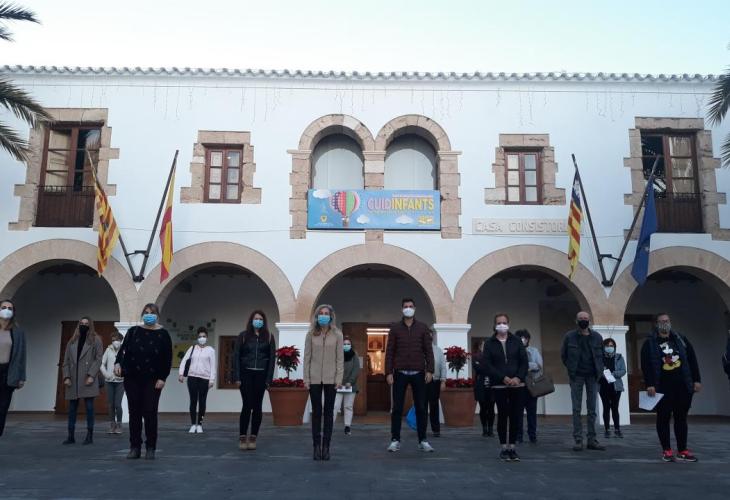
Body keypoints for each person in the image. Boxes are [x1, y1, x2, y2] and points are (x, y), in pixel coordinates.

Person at [641, 313, 701, 462]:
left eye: (667, 320)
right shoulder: (650, 343)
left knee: (681, 418)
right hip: (662, 387)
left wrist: (697, 380)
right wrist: (649, 384)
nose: (664, 323)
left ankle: (682, 450)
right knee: (663, 418)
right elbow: (646, 365)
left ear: (670, 322)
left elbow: (692, 360)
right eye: (661, 321)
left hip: (683, 386)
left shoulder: (681, 339)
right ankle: (667, 450)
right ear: (656, 324)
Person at [114, 303, 172, 460]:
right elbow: (123, 351)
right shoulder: (133, 331)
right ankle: (135, 447)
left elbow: (167, 358)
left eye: (152, 312)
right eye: (146, 312)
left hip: (153, 380)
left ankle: (151, 447)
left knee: (150, 412)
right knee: (134, 413)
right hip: (132, 378)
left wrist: (162, 378)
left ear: (157, 315)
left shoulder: (163, 334)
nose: (148, 315)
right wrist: (118, 363)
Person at [385, 298, 435, 453]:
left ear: (415, 308)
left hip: (419, 372)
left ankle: (423, 440)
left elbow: (428, 350)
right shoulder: (395, 328)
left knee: (421, 407)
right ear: (402, 309)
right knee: (397, 408)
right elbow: (390, 352)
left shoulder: (422, 327)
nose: (408, 308)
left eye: (411, 306)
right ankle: (395, 440)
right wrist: (388, 372)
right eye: (405, 306)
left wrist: (430, 370)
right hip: (399, 373)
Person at [482, 314, 528, 461]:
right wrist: (503, 377)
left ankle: (512, 447)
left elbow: (524, 362)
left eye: (504, 322)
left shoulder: (516, 341)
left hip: (517, 385)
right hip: (499, 385)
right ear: (494, 325)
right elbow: (487, 364)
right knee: (502, 416)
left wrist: (518, 377)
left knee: (515, 416)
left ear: (509, 324)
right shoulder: (489, 343)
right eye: (499, 323)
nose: (502, 325)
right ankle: (503, 448)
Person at [303, 304, 343, 461]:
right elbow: (307, 358)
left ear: (331, 316)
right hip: (314, 379)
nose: (324, 316)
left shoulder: (337, 334)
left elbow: (339, 359)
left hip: (331, 379)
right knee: (316, 413)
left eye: (326, 313)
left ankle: (326, 446)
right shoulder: (311, 334)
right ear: (317, 316)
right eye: (321, 313)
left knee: (328, 413)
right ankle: (316, 446)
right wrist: (306, 379)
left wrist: (339, 379)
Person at [561, 311, 606, 451]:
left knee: (592, 409)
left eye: (585, 318)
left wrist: (599, 371)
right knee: (576, 409)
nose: (583, 320)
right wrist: (571, 369)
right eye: (581, 318)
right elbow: (564, 356)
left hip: (593, 376)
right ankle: (578, 440)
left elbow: (602, 356)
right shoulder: (569, 337)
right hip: (576, 376)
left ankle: (592, 440)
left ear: (589, 320)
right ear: (576, 320)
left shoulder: (597, 337)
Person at [234, 310, 276, 451]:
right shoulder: (243, 336)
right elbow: (236, 356)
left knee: (257, 406)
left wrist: (269, 379)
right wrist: (237, 377)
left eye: (261, 319)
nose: (258, 321)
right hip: (246, 375)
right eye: (256, 318)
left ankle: (253, 437)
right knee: (247, 405)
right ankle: (242, 436)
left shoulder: (269, 337)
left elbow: (272, 359)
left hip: (261, 376)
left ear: (264, 322)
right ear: (251, 320)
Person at [62, 316, 103, 445]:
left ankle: (89, 435)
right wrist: (66, 377)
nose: (83, 325)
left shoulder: (96, 339)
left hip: (87, 378)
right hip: (73, 379)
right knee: (72, 409)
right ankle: (70, 436)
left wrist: (91, 375)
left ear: (90, 325)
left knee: (89, 408)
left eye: (86, 323)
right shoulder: (72, 340)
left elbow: (98, 359)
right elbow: (66, 361)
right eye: (81, 323)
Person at [178, 326, 217, 434]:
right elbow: (184, 360)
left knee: (202, 402)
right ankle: (193, 424)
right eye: (200, 336)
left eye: (204, 336)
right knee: (193, 401)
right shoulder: (192, 348)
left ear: (207, 338)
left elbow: (213, 366)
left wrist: (212, 380)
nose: (202, 338)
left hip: (204, 379)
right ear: (197, 338)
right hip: (192, 378)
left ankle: (199, 424)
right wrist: (181, 374)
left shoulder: (210, 350)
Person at [0, 299, 26, 438]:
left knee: (3, 408)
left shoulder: (18, 332)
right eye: (4, 307)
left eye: (10, 308)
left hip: (8, 372)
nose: (6, 310)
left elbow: (22, 355)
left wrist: (21, 377)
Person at [515, 329, 542, 444]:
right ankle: (518, 435)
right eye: (520, 338)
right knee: (518, 412)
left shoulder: (534, 351)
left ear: (528, 339)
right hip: (518, 386)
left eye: (524, 338)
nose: (523, 340)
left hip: (532, 385)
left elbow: (539, 365)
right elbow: (513, 366)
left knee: (532, 412)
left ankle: (532, 435)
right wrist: (528, 366)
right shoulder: (514, 352)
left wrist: (525, 366)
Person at [599, 338, 626, 439]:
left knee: (615, 408)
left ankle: (617, 429)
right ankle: (607, 429)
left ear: (614, 347)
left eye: (611, 346)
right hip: (603, 386)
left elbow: (623, 370)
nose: (609, 348)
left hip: (616, 386)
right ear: (603, 347)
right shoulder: (600, 358)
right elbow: (596, 370)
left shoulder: (619, 357)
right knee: (606, 407)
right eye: (607, 346)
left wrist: (613, 374)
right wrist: (602, 374)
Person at [333, 336, 361, 435]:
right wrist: (338, 381)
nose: (346, 345)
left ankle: (347, 426)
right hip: (338, 385)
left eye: (348, 344)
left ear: (351, 345)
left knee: (348, 406)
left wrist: (350, 381)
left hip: (350, 386)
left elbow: (356, 369)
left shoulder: (354, 356)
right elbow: (334, 369)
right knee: (335, 406)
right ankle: (330, 426)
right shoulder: (337, 355)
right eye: (344, 344)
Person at [100, 330, 125, 435]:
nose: (115, 341)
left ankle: (119, 425)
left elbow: (129, 364)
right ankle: (112, 425)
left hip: (121, 381)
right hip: (109, 381)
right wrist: (106, 374)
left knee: (118, 404)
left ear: (121, 340)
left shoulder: (125, 350)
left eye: (117, 340)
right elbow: (101, 363)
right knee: (110, 404)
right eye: (113, 340)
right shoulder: (108, 350)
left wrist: (123, 373)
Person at [425, 332, 447, 438]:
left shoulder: (438, 351)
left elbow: (443, 366)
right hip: (423, 382)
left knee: (434, 406)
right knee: (422, 406)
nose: (428, 338)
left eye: (430, 336)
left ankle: (436, 430)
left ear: (432, 337)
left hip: (435, 382)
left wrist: (443, 381)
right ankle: (422, 429)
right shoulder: (420, 350)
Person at [472, 340, 495, 437]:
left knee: (491, 409)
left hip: (492, 387)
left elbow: (494, 369)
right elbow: (478, 369)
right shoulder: (475, 357)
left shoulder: (493, 357)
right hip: (481, 387)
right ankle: (484, 429)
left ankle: (491, 430)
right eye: (483, 346)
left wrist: (485, 366)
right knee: (483, 408)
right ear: (480, 347)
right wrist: (488, 367)